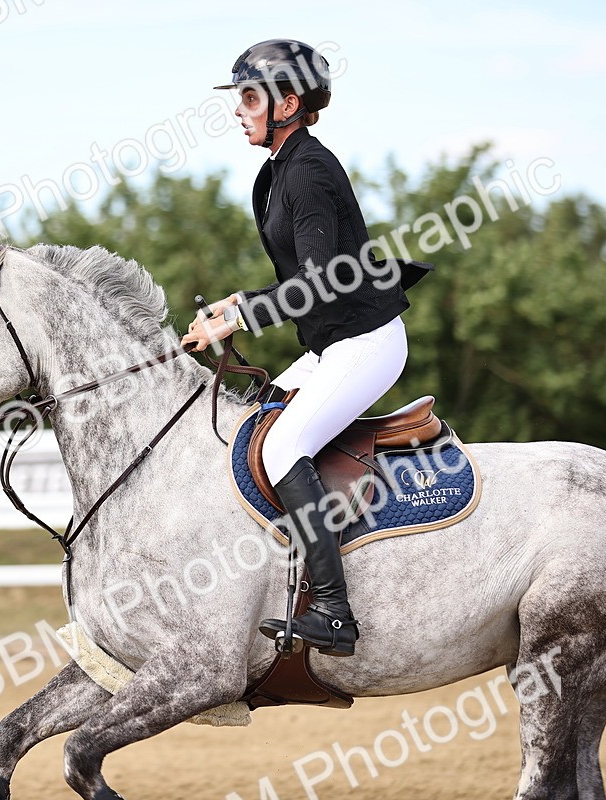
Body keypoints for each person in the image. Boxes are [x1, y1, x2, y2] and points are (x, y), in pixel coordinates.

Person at [181, 39, 423, 657]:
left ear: (288, 103)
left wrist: (237, 314)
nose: (239, 109)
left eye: (250, 97)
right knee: (256, 420)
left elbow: (316, 286)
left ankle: (337, 613)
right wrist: (235, 308)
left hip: (364, 343)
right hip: (330, 346)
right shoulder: (281, 167)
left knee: (287, 446)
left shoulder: (308, 172)